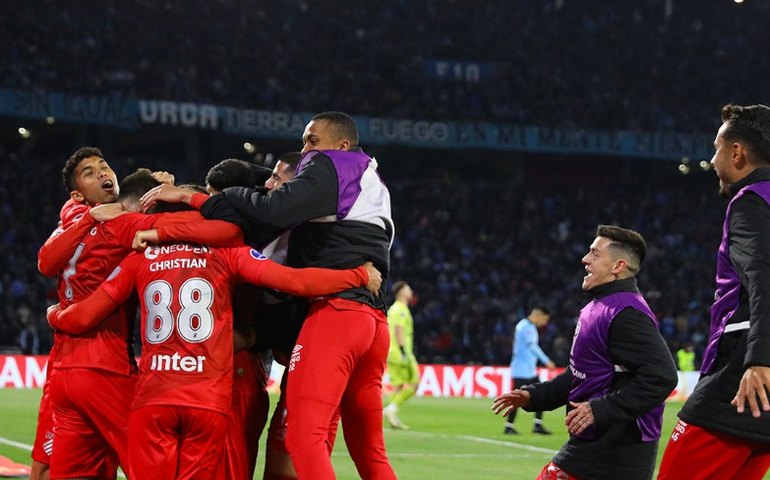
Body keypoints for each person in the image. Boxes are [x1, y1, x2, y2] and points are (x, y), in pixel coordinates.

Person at [140, 111, 397, 479]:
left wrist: (188, 198)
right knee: (369, 452)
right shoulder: (372, 185)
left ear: (342, 145)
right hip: (373, 323)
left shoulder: (329, 165)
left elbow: (272, 210)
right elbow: (272, 190)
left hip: (335, 317)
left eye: (312, 140)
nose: (306, 150)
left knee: (302, 440)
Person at [47, 232, 382, 479]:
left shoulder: (142, 256)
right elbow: (295, 281)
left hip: (155, 397)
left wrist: (54, 315)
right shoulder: (226, 251)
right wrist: (356, 276)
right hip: (206, 400)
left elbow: (82, 317)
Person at [38, 160, 240, 479]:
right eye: (91, 172)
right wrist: (176, 201)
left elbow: (45, 262)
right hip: (105, 367)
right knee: (148, 466)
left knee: (65, 467)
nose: (104, 173)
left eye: (104, 166)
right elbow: (223, 229)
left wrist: (53, 313)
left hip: (63, 369)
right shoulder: (126, 227)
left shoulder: (72, 218)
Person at [492, 225, 677, 480]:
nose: (585, 259)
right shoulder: (599, 308)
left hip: (613, 453)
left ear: (618, 266)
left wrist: (598, 409)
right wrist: (534, 396)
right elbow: (581, 375)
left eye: (594, 254)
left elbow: (663, 376)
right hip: (595, 446)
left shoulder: (627, 313)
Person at [658, 104, 770, 480]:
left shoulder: (751, 201)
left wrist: (760, 359)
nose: (712, 159)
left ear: (736, 152)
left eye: (716, 148)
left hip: (743, 375)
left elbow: (763, 277)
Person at [504, 305, 555, 435]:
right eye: (545, 319)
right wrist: (546, 360)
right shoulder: (525, 327)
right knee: (517, 397)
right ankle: (509, 426)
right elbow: (532, 346)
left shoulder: (529, 327)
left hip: (529, 371)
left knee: (541, 394)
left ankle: (537, 425)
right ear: (538, 315)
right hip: (521, 371)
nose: (545, 323)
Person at [383, 280, 419, 430]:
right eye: (408, 289)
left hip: (392, 352)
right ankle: (391, 410)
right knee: (415, 382)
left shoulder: (393, 309)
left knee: (397, 387)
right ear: (402, 292)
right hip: (401, 353)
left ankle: (392, 414)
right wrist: (404, 351)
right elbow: (398, 330)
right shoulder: (401, 309)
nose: (410, 292)